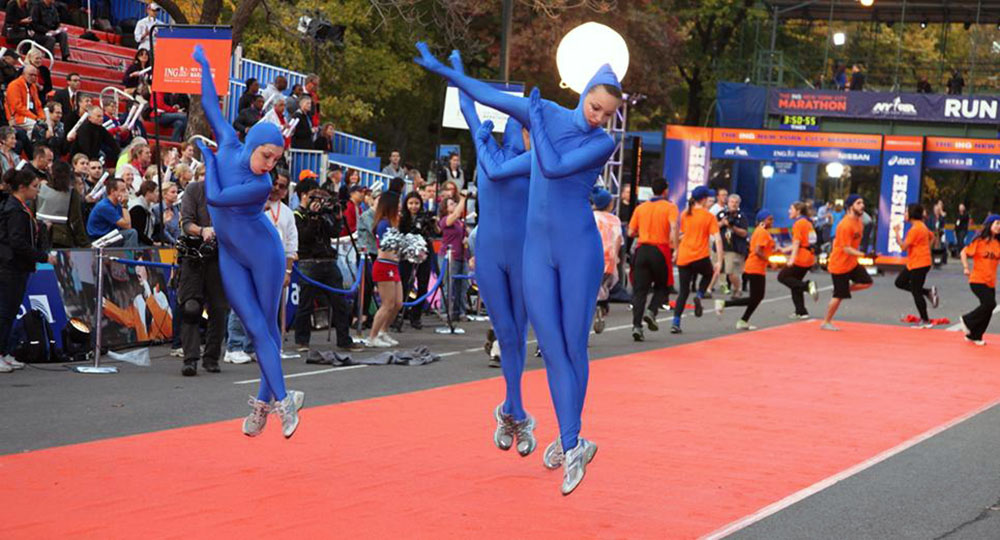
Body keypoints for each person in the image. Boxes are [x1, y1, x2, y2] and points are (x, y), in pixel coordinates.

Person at [416, 44, 620, 495]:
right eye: (594, 107)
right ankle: (564, 435)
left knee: (571, 349)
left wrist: (534, 118)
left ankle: (570, 443)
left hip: (578, 250)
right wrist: (450, 75)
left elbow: (552, 163)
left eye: (605, 114)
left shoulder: (599, 142)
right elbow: (486, 97)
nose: (596, 118)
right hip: (533, 254)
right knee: (545, 348)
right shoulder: (543, 114)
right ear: (584, 94)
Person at [191, 45, 302, 438]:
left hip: (264, 254)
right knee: (258, 329)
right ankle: (270, 402)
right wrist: (204, 65)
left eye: (275, 159)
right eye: (266, 155)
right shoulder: (229, 142)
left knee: (263, 330)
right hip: (232, 255)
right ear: (253, 142)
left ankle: (280, 403)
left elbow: (217, 198)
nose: (269, 164)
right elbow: (209, 101)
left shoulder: (261, 184)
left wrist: (207, 158)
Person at [452, 50, 536, 455]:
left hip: (521, 255)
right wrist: (458, 72)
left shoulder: (535, 162)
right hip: (488, 255)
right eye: (525, 130)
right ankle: (514, 411)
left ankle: (513, 409)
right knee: (505, 334)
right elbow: (466, 106)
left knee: (517, 335)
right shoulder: (486, 150)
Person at [293, 180, 361, 353]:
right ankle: (302, 341)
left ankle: (344, 339)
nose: (320, 202)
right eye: (316, 197)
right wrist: (314, 217)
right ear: (305, 196)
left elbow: (334, 233)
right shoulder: (297, 215)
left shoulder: (324, 214)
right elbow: (304, 237)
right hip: (309, 262)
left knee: (340, 302)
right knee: (306, 304)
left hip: (328, 261)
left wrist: (336, 218)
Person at [0, 169, 51, 372]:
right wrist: (42, 256)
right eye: (34, 187)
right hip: (9, 267)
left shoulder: (21, 208)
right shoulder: (13, 209)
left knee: (11, 311)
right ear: (22, 187)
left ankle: (5, 351)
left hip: (19, 267)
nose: (37, 191)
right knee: (4, 312)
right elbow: (17, 241)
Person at [627, 176, 677, 341]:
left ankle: (636, 326)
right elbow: (674, 226)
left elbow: (630, 232)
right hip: (660, 250)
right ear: (665, 191)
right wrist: (674, 246)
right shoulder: (670, 207)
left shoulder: (641, 208)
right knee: (663, 286)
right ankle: (651, 310)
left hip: (642, 250)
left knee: (640, 291)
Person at [671, 185, 723, 334]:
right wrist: (719, 260)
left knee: (683, 292)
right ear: (705, 199)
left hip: (685, 256)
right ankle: (700, 295)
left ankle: (676, 322)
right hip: (700, 256)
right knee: (708, 274)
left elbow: (680, 233)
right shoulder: (709, 217)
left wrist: (676, 250)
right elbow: (718, 239)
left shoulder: (685, 214)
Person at [714, 210, 776, 330]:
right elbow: (758, 250)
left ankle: (742, 319)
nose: (772, 222)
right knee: (756, 297)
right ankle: (726, 306)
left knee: (756, 297)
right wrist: (769, 261)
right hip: (755, 268)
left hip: (755, 268)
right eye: (769, 219)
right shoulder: (762, 232)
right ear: (763, 220)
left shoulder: (760, 232)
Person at [821, 194, 873, 331]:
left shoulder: (859, 222)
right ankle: (826, 322)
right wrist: (864, 255)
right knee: (838, 296)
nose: (862, 205)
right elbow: (846, 248)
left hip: (852, 263)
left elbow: (855, 243)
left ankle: (845, 289)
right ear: (850, 207)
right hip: (839, 264)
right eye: (858, 203)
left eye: (862, 203)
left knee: (867, 282)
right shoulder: (844, 225)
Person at [367, 179, 405, 347]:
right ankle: (372, 337)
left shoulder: (393, 223)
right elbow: (386, 247)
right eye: (397, 204)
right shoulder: (383, 224)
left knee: (398, 303)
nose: (400, 206)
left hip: (393, 265)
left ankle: (383, 331)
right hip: (384, 265)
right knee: (388, 303)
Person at [893, 204, 939, 328]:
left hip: (919, 263)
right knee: (900, 282)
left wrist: (896, 233)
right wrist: (925, 248)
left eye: (906, 212)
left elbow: (903, 247)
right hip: (915, 262)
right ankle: (928, 292)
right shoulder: (921, 226)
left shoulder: (915, 229)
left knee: (916, 291)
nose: (905, 214)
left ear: (912, 214)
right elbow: (932, 236)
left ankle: (925, 320)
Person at [959, 215, 1000, 346]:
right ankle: (967, 320)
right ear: (989, 225)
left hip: (990, 282)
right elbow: (963, 252)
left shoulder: (998, 244)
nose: (999, 227)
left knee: (988, 310)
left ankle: (975, 335)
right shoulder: (979, 242)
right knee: (990, 304)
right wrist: (966, 267)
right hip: (977, 280)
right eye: (997, 223)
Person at [397, 191, 435, 330]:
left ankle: (416, 315)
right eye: (411, 203)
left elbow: (435, 232)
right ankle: (400, 312)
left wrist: (431, 223)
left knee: (423, 283)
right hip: (406, 254)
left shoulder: (425, 218)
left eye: (416, 203)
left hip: (423, 253)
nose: (414, 206)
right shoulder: (402, 219)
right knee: (403, 283)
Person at [778, 201, 819, 318]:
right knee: (795, 283)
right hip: (808, 257)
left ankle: (808, 286)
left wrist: (791, 258)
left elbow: (796, 242)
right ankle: (801, 311)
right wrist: (785, 249)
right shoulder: (807, 222)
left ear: (798, 211)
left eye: (791, 209)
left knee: (782, 277)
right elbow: (803, 242)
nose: (789, 211)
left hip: (801, 257)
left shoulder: (798, 224)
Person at [35, 160, 89, 248]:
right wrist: (85, 244)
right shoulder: (72, 193)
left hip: (41, 236)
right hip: (63, 238)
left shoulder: (40, 188)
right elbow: (76, 221)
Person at [592, 187, 622, 334]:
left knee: (589, 291)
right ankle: (601, 306)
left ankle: (594, 308)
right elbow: (618, 239)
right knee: (603, 287)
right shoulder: (614, 220)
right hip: (608, 261)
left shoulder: (591, 217)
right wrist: (615, 257)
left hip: (592, 259)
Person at [438, 189, 469, 321]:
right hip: (449, 256)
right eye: (451, 204)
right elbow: (456, 214)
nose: (454, 205)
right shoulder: (445, 220)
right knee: (449, 285)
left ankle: (459, 311)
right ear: (445, 208)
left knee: (462, 285)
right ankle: (445, 310)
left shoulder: (459, 222)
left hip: (462, 256)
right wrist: (463, 199)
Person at [85, 177, 138, 246]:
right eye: (123, 190)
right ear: (113, 191)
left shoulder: (117, 204)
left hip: (110, 235)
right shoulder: (104, 206)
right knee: (131, 233)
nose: (126, 193)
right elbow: (127, 225)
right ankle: (128, 256)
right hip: (99, 239)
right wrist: (124, 205)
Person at [717, 193, 748, 297]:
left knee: (731, 271)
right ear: (728, 203)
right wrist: (723, 223)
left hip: (733, 248)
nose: (734, 204)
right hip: (721, 247)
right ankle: (718, 288)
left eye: (736, 202)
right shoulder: (721, 214)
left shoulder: (741, 217)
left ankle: (737, 288)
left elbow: (744, 232)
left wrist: (733, 228)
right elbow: (713, 227)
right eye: (732, 202)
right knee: (717, 269)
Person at [128, 180, 159, 246]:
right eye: (156, 191)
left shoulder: (149, 207)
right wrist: (152, 243)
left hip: (145, 242)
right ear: (148, 193)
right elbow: (138, 232)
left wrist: (163, 222)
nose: (158, 194)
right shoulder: (137, 208)